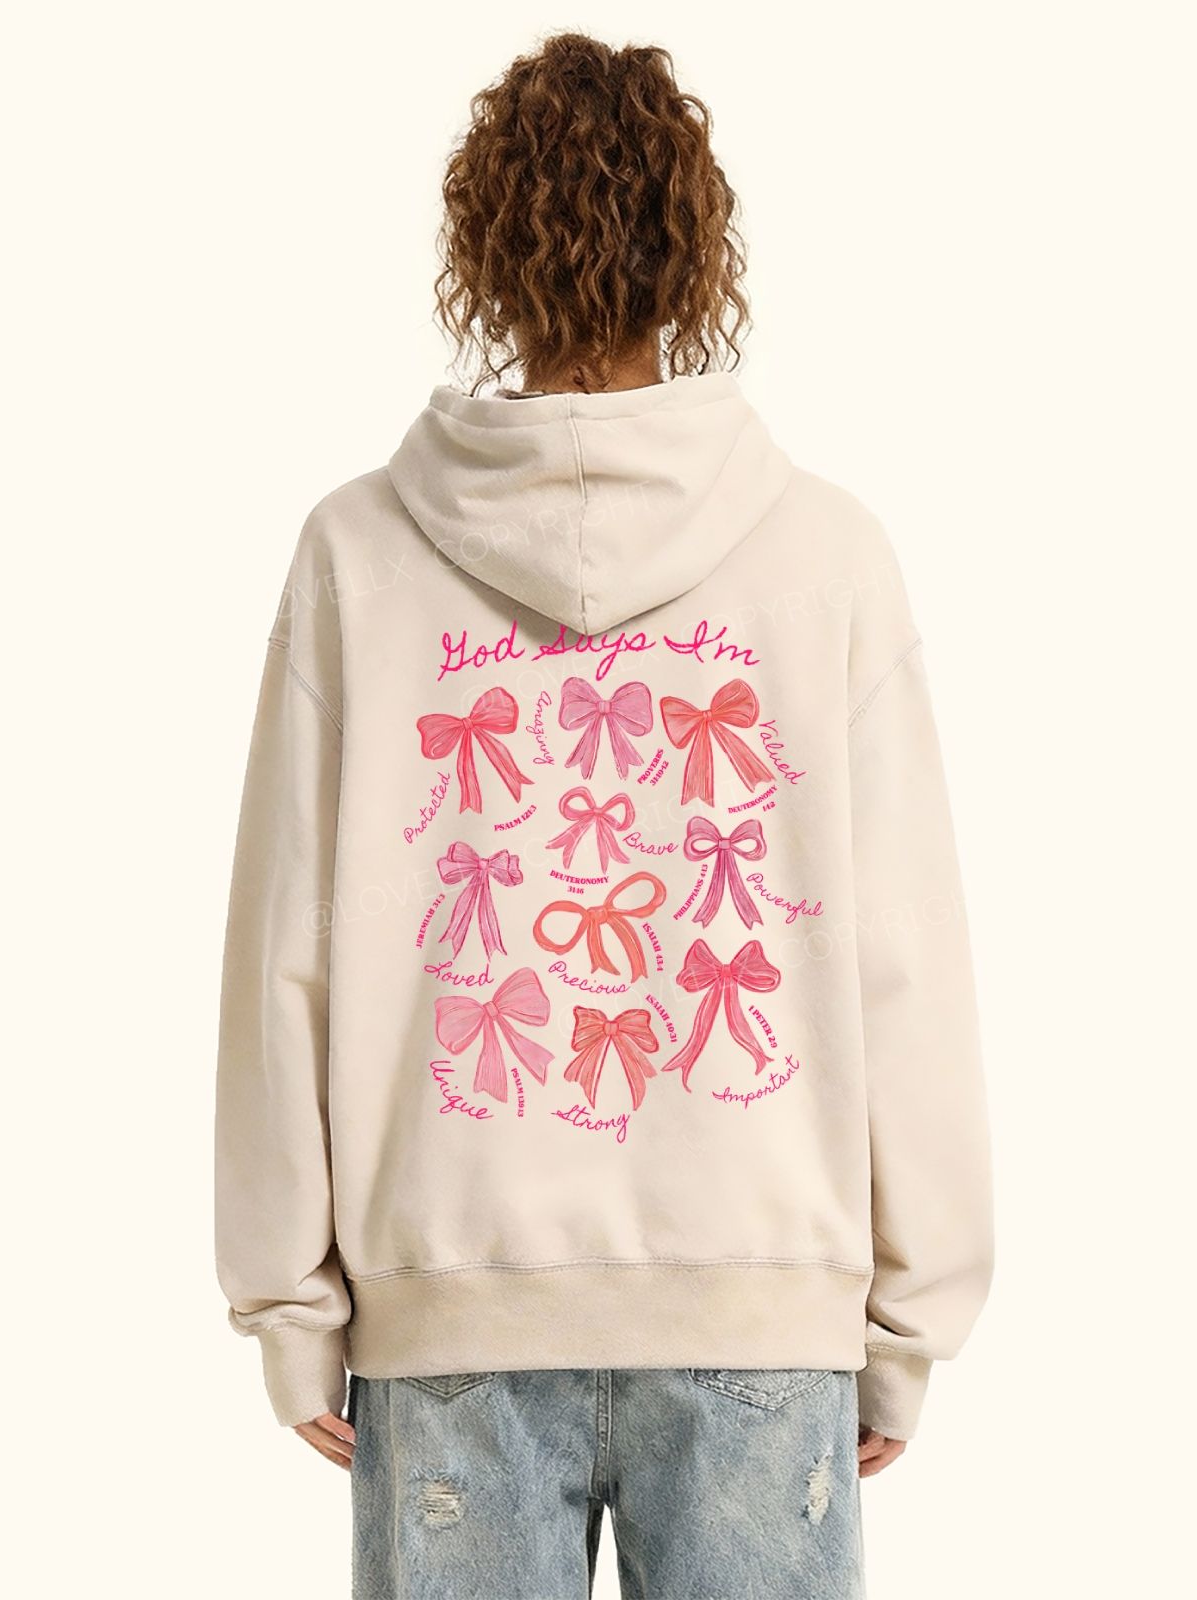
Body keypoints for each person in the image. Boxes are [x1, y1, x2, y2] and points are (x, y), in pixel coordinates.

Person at [215, 31, 992, 1600]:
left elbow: (284, 957)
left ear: (485, 254)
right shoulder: (828, 557)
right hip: (762, 1313)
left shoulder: (358, 556)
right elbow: (903, 963)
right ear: (694, 254)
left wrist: (291, 1303)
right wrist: (910, 1319)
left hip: (448, 1311)